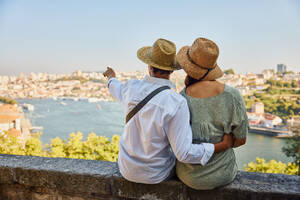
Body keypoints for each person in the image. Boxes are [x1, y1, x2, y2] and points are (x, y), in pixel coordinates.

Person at [103, 38, 233, 184]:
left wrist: (111, 76)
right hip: (155, 174)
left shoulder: (131, 87)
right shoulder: (176, 102)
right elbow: (184, 153)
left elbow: (114, 87)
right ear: (171, 70)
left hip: (126, 169)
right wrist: (220, 146)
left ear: (149, 66)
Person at [175, 37, 249, 190]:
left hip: (188, 175)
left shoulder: (181, 98)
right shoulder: (232, 96)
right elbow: (241, 140)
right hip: (223, 174)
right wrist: (223, 144)